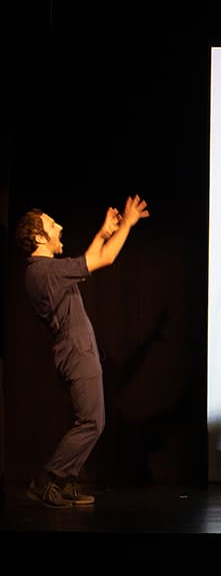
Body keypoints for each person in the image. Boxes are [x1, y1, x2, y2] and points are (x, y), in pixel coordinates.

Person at [14, 194, 150, 507]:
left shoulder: (46, 271)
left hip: (77, 351)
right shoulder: (44, 272)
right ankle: (47, 480)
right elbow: (102, 260)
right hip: (76, 353)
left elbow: (88, 260)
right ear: (38, 236)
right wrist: (126, 225)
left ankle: (64, 480)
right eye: (51, 224)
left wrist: (104, 232)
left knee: (87, 421)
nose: (59, 227)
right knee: (92, 422)